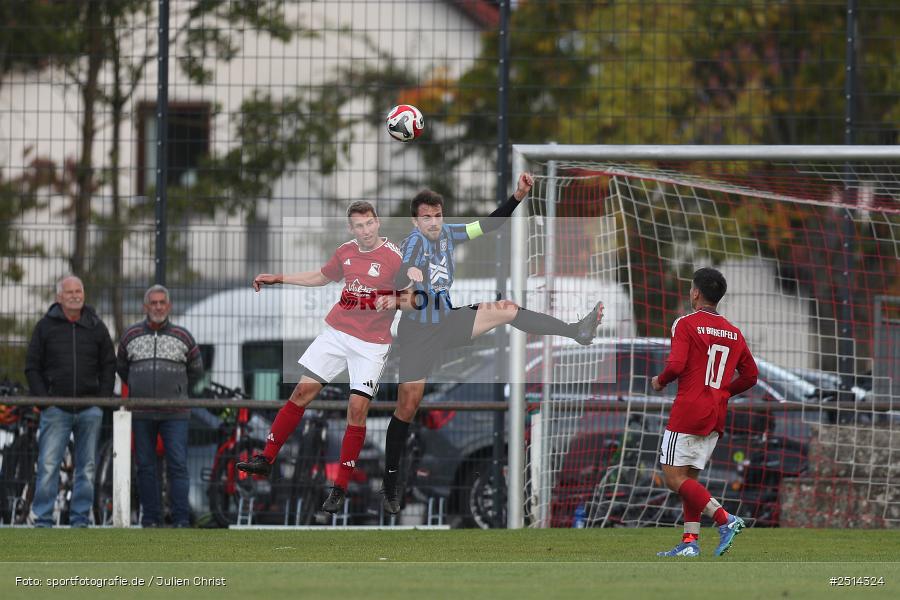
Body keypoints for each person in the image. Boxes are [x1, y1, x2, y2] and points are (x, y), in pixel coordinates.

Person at [381, 173, 605, 514]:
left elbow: (489, 225)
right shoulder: (414, 242)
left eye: (437, 215)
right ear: (416, 220)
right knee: (407, 407)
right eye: (426, 217)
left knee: (507, 309)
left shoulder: (449, 234)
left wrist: (517, 196)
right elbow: (403, 271)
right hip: (418, 336)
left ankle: (576, 331)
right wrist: (408, 275)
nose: (433, 222)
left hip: (447, 322)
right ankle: (391, 480)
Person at [236, 201, 408, 514]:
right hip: (338, 333)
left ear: (378, 222)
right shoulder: (345, 252)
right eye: (359, 226)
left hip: (371, 344)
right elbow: (321, 276)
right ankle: (266, 459)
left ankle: (339, 487)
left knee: (356, 409)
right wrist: (278, 278)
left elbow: (414, 296)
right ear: (351, 228)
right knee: (301, 392)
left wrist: (395, 299)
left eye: (369, 224)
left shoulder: (395, 256)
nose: (365, 230)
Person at [650, 267, 759, 557]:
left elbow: (675, 365)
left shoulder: (686, 324)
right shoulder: (733, 332)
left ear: (696, 292)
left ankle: (726, 519)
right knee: (690, 482)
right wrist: (723, 394)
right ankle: (689, 543)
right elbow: (750, 376)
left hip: (688, 410)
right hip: (715, 413)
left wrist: (659, 381)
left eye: (690, 288)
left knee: (674, 479)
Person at [24, 275, 116, 527]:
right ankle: (42, 518)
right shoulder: (45, 327)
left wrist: (102, 401)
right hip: (55, 411)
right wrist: (46, 401)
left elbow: (109, 365)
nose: (75, 295)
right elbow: (32, 367)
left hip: (90, 410)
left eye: (79, 291)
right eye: (69, 291)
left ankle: (79, 520)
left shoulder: (97, 326)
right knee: (48, 466)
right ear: (59, 297)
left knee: (86, 468)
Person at [117, 285, 204, 528]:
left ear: (169, 306)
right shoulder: (130, 336)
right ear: (146, 307)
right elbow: (122, 368)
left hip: (176, 412)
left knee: (178, 465)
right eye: (153, 303)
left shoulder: (183, 336)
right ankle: (150, 519)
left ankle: (180, 520)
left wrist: (177, 390)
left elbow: (196, 371)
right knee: (145, 467)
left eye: (161, 303)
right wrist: (138, 387)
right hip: (142, 412)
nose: (157, 307)